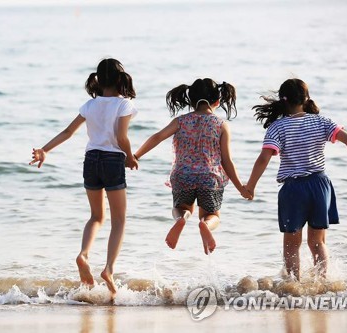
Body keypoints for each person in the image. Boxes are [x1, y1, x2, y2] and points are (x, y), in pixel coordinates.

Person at [30, 58, 138, 296]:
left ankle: (83, 254)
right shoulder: (124, 105)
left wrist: (45, 150)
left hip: (91, 161)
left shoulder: (90, 105)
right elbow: (121, 138)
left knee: (96, 217)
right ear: (121, 79)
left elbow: (68, 132)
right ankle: (109, 269)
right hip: (112, 161)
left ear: (98, 80)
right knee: (119, 220)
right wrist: (129, 157)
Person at [245, 78, 347, 280]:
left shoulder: (277, 127)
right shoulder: (322, 121)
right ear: (306, 98)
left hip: (294, 188)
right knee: (318, 243)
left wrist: (250, 186)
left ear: (283, 101)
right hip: (320, 186)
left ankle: (294, 286)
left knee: (292, 245)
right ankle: (322, 283)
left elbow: (263, 158)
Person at [134, 78, 251, 255]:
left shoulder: (180, 121)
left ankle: (182, 219)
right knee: (212, 215)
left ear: (190, 100)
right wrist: (240, 187)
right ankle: (205, 225)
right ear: (218, 101)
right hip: (209, 178)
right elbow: (227, 161)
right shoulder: (220, 125)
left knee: (181, 208)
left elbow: (157, 137)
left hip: (183, 176)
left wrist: (136, 156)